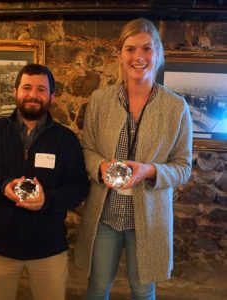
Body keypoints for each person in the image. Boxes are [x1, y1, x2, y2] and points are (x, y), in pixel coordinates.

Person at [75, 18, 192, 300]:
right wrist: (100, 166)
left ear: (158, 54)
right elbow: (87, 149)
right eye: (130, 49)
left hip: (149, 220)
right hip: (105, 215)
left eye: (147, 49)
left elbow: (183, 168)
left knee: (143, 291)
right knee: (96, 288)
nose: (138, 57)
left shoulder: (176, 108)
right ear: (120, 55)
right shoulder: (101, 100)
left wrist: (150, 171)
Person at [0, 63, 90, 300]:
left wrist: (48, 199)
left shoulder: (66, 139)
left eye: (41, 89)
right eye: (27, 87)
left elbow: (79, 187)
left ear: (52, 96)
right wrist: (2, 187)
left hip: (49, 250)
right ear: (16, 91)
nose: (33, 95)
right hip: (0, 248)